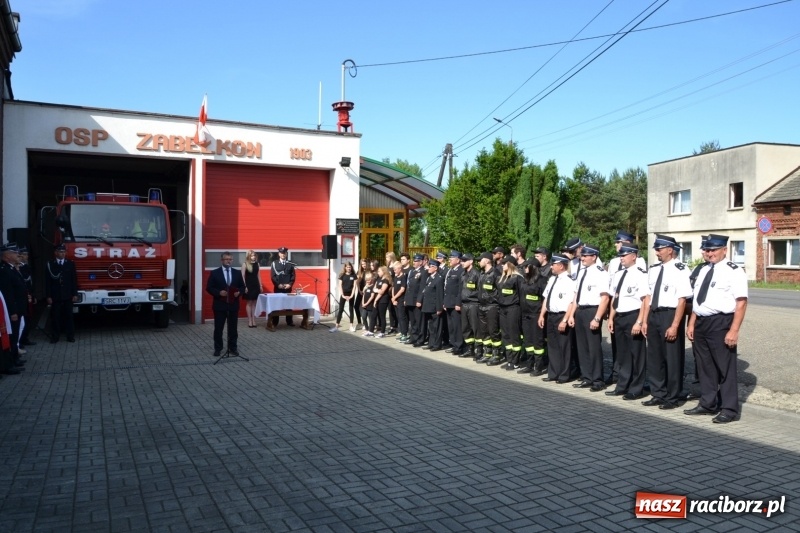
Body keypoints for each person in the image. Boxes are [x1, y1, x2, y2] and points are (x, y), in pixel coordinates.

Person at [685, 234, 748, 424]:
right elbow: (698, 300)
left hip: (721, 323)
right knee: (705, 366)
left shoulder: (734, 271)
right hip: (702, 322)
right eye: (706, 250)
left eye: (713, 250)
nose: (709, 253)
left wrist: (734, 330)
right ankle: (707, 403)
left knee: (725, 368)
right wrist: (692, 323)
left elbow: (741, 302)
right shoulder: (704, 270)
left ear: (724, 250)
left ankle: (729, 409)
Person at [641, 235, 692, 410]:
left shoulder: (681, 269)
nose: (656, 252)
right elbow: (648, 297)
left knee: (672, 357)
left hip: (670, 315)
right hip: (654, 314)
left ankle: (673, 396)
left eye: (659, 249)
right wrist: (646, 320)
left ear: (670, 250)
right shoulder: (654, 269)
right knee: (655, 357)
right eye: (656, 249)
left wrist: (675, 325)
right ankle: (658, 393)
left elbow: (682, 300)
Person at [606, 244, 649, 400]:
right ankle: (622, 385)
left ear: (634, 256)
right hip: (620, 316)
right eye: (620, 256)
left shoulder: (641, 275)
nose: (621, 258)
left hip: (633, 316)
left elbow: (645, 300)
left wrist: (639, 321)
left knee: (637, 354)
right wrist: (611, 317)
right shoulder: (618, 275)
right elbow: (614, 298)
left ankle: (637, 388)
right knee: (623, 354)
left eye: (625, 255)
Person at [567, 244, 610, 392]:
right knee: (582, 347)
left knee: (594, 348)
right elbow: (575, 296)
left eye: (586, 256)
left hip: (593, 310)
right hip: (580, 311)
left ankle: (597, 380)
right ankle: (587, 377)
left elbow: (604, 298)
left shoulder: (601, 273)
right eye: (582, 255)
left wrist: (597, 318)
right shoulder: (581, 272)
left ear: (594, 257)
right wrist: (572, 314)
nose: (582, 258)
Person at [538, 254, 575, 383]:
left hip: (562, 315)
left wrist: (565, 320)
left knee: (564, 346)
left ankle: (564, 375)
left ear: (561, 266)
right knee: (552, 346)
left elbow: (571, 302)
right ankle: (553, 373)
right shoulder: (552, 279)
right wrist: (542, 315)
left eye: (554, 264)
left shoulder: (569, 281)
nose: (552, 266)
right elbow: (546, 298)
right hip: (551, 315)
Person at [206, 252, 246, 357]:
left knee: (233, 328)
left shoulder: (237, 273)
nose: (228, 261)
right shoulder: (215, 273)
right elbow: (209, 288)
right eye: (226, 259)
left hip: (233, 305)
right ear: (222, 260)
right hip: (220, 305)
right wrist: (218, 293)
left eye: (230, 259)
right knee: (219, 328)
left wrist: (239, 292)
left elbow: (242, 287)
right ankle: (218, 348)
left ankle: (233, 348)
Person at [517, 258, 548, 375]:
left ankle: (538, 367)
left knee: (538, 342)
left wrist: (542, 315)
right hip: (525, 314)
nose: (524, 269)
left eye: (526, 266)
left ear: (533, 267)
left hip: (536, 315)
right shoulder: (524, 280)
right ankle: (529, 364)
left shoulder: (542, 281)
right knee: (528, 341)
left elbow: (544, 299)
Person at [0, 243, 27, 374]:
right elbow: (8, 294)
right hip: (13, 310)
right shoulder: (5, 271)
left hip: (19, 308)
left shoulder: (12, 269)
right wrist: (13, 311)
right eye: (15, 253)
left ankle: (15, 358)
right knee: (12, 337)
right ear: (7, 256)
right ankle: (9, 363)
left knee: (15, 335)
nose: (18, 255)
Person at [45, 244, 78, 345]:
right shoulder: (50, 264)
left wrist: (74, 294)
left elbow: (73, 280)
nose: (62, 254)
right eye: (60, 252)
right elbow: (47, 282)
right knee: (55, 317)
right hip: (56, 295)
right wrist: (48, 296)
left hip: (67, 295)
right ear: (56, 253)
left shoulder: (70, 264)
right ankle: (55, 337)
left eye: (64, 252)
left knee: (69, 317)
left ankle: (70, 336)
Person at [495, 256, 523, 369]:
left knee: (513, 335)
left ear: (510, 264)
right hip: (503, 308)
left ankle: (515, 361)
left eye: (504, 263)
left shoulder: (517, 278)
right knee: (505, 335)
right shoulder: (502, 278)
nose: (502, 265)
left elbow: (521, 296)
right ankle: (509, 359)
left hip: (513, 308)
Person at [476, 252, 501, 363]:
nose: (478, 262)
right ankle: (487, 353)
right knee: (484, 331)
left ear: (486, 260)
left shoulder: (495, 273)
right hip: (482, 306)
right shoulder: (482, 273)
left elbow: (499, 290)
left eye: (480, 260)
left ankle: (496, 355)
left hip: (492, 306)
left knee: (493, 331)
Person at [458, 253, 481, 359]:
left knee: (475, 328)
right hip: (464, 304)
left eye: (464, 260)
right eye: (461, 260)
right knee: (465, 328)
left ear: (471, 261)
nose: (462, 262)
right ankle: (470, 349)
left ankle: (479, 350)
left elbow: (480, 291)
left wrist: (471, 296)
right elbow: (460, 290)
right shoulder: (463, 274)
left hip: (473, 304)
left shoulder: (476, 274)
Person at [443, 250, 465, 356]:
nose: (450, 260)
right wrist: (445, 302)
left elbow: (460, 290)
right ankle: (453, 344)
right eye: (450, 258)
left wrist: (458, 303)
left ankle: (459, 346)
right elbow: (447, 288)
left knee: (457, 326)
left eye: (452, 258)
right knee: (451, 326)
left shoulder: (461, 271)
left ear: (458, 259)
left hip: (455, 304)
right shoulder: (451, 271)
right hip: (448, 303)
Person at [420, 260, 444, 351]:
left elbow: (439, 294)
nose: (428, 268)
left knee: (437, 327)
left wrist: (439, 308)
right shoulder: (429, 278)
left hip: (435, 307)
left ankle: (437, 344)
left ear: (436, 268)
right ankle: (431, 343)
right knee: (430, 326)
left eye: (431, 267)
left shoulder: (439, 279)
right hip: (428, 306)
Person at [405, 254, 427, 347]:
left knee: (419, 321)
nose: (414, 262)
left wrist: (419, 300)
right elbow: (408, 287)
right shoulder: (412, 272)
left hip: (417, 301)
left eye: (416, 261)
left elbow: (422, 287)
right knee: (412, 321)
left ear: (421, 262)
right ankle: (413, 337)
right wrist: (406, 299)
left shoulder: (423, 272)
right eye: (414, 261)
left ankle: (420, 339)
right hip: (410, 300)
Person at [270, 247, 296, 327]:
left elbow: (293, 276)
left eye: (284, 253)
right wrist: (278, 284)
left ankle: (289, 321)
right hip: (278, 288)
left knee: (288, 305)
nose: (283, 254)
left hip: (287, 288)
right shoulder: (275, 263)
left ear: (286, 254)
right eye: (281, 253)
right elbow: (273, 276)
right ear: (279, 254)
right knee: (277, 305)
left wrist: (290, 284)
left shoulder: (290, 264)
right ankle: (275, 322)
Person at [17, 247, 36, 349]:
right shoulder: (19, 268)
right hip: (23, 297)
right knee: (23, 318)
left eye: (27, 255)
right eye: (24, 255)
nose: (26, 257)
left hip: (29, 295)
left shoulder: (26, 267)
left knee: (28, 318)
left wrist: (33, 295)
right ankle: (21, 340)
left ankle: (25, 338)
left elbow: (30, 283)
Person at [332, 262, 358, 332]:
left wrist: (352, 295)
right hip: (344, 294)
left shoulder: (354, 275)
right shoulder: (342, 275)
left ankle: (351, 326)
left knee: (351, 309)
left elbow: (354, 286)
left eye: (350, 267)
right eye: (347, 267)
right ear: (345, 268)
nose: (348, 268)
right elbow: (340, 285)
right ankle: (336, 326)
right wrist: (343, 295)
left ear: (351, 268)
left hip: (351, 294)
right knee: (340, 309)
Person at [242, 250, 262, 328]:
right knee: (249, 303)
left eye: (254, 255)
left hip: (255, 285)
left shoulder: (257, 264)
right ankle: (249, 320)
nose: (253, 257)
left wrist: (260, 285)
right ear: (248, 256)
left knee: (254, 302)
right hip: (248, 285)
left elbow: (258, 276)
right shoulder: (245, 264)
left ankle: (254, 320)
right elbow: (243, 276)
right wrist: (245, 286)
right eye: (252, 255)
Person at [372, 266, 392, 338]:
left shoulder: (386, 280)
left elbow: (382, 291)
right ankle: (372, 330)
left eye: (379, 271)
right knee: (376, 315)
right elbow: (374, 288)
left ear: (384, 272)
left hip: (383, 300)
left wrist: (376, 299)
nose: (378, 273)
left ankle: (382, 332)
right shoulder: (379, 279)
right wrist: (377, 290)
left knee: (382, 316)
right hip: (378, 299)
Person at [390, 261, 408, 342]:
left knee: (402, 317)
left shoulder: (403, 277)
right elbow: (393, 288)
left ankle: (405, 333)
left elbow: (402, 289)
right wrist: (393, 298)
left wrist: (395, 297)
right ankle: (401, 332)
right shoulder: (396, 277)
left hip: (401, 300)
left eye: (395, 269)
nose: (394, 271)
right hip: (395, 300)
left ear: (400, 269)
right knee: (398, 317)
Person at [353, 258, 368, 331]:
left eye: (364, 264)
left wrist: (364, 289)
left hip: (367, 291)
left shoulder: (368, 272)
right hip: (360, 291)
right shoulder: (359, 272)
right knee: (356, 306)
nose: (363, 266)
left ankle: (366, 323)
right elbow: (357, 282)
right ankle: (359, 322)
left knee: (364, 307)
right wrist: (359, 290)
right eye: (362, 264)